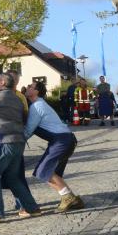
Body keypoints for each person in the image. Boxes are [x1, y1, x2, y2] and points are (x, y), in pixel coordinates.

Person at [0, 74, 40, 224]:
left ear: (3, 82)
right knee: (12, 177)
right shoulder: (18, 98)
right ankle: (31, 207)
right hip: (18, 141)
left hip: (3, 140)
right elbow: (24, 117)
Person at [24, 82, 84, 211]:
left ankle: (68, 197)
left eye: (30, 87)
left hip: (61, 141)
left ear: (36, 92)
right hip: (66, 140)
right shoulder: (39, 104)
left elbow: (28, 131)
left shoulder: (37, 106)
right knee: (53, 173)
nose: (27, 87)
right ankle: (72, 199)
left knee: (43, 171)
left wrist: (15, 141)